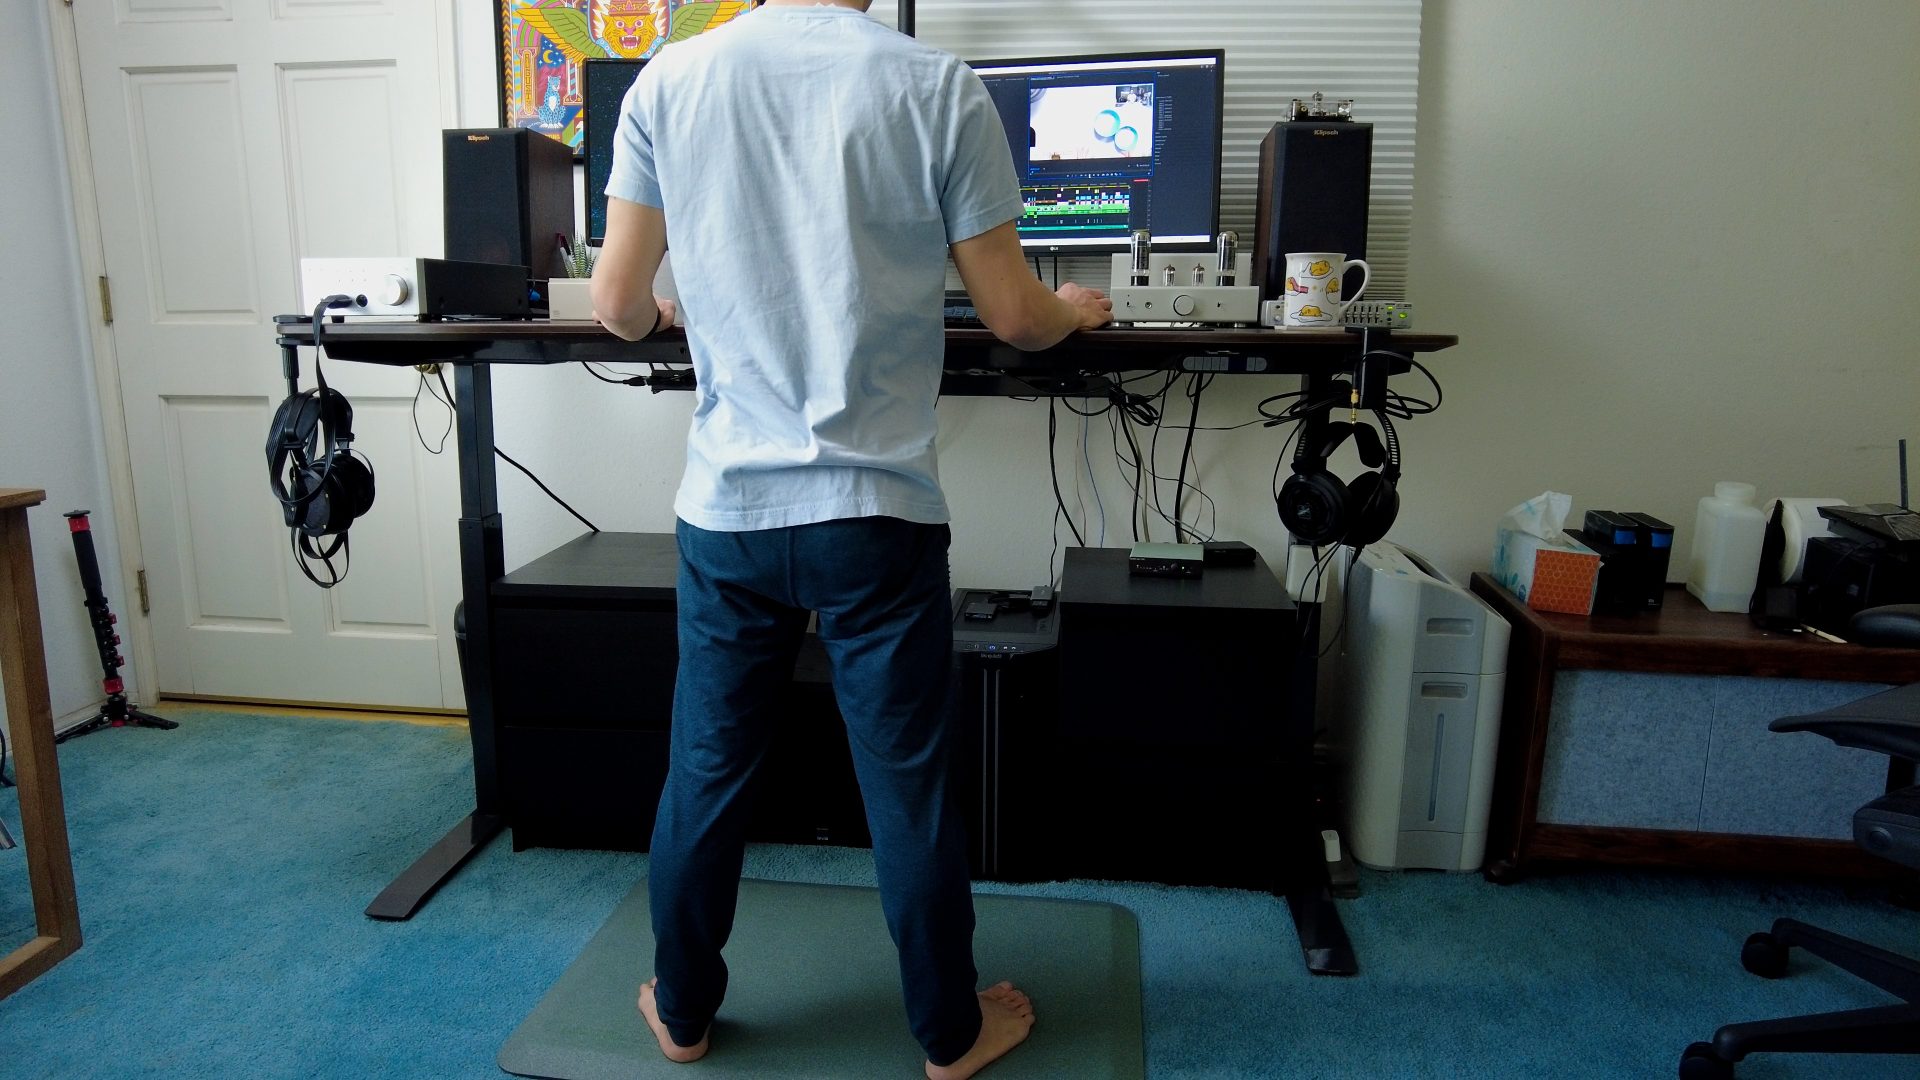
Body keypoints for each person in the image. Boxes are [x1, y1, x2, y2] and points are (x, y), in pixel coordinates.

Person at [591, 1, 1112, 1077]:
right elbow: (1014, 316)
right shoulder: (936, 86)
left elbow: (618, 307)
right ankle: (949, 1035)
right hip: (875, 517)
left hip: (730, 514)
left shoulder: (668, 82)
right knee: (906, 786)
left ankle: (682, 1015)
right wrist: (1073, 310)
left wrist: (675, 308)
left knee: (705, 771)